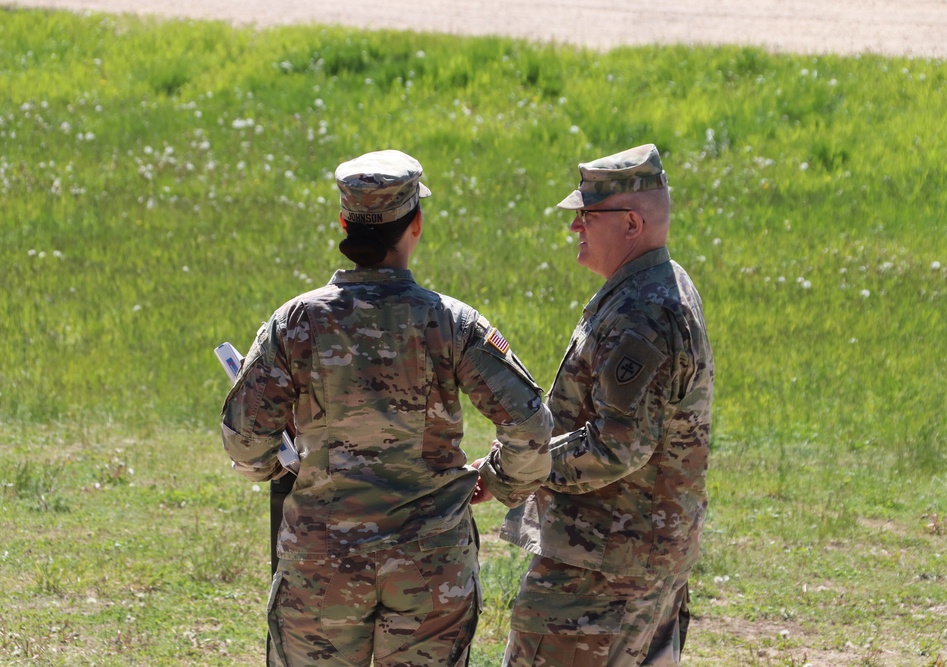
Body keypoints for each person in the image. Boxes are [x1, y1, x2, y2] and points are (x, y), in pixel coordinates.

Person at [220, 149, 553, 667]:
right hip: (429, 567)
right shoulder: (453, 322)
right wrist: (500, 482)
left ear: (344, 223)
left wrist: (275, 466)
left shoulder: (295, 322)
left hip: (321, 565)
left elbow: (244, 441)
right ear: (415, 224)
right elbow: (530, 427)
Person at [499, 144, 714, 666]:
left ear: (631, 225)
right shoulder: (660, 285)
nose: (575, 226)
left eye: (587, 215)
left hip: (600, 573)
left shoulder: (642, 312)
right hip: (639, 558)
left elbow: (619, 445)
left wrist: (525, 463)